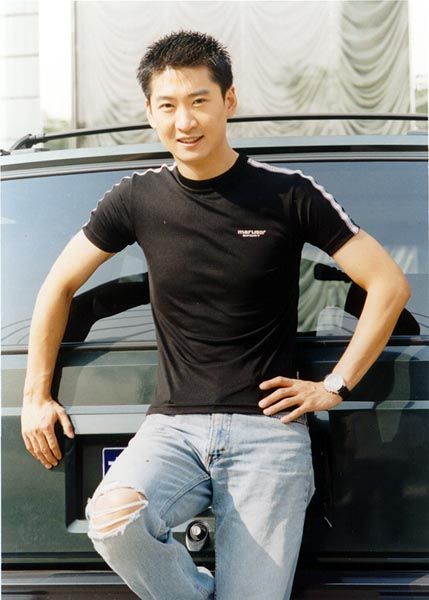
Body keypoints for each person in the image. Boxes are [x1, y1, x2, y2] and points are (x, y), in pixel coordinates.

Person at [21, 30, 411, 600]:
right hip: (172, 429)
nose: (185, 121)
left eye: (199, 101)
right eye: (168, 106)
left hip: (268, 435)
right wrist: (36, 394)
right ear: (150, 112)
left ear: (229, 101)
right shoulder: (135, 198)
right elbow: (58, 286)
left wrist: (335, 384)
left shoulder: (288, 194)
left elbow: (388, 284)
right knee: (113, 517)